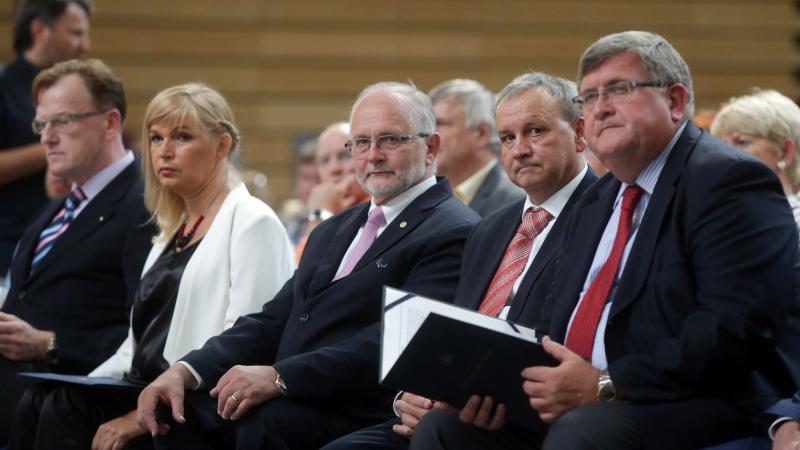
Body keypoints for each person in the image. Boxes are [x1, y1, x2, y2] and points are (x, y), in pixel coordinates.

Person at [410, 30, 800, 450]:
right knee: (446, 431)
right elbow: (554, 316)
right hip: (585, 394)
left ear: (674, 101)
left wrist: (607, 383)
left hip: (693, 398)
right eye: (590, 97)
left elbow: (735, 328)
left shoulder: (727, 180)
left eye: (618, 89)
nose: (600, 109)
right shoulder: (599, 197)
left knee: (582, 432)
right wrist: (496, 388)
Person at [135, 81, 480, 450]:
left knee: (258, 425)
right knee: (178, 412)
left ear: (431, 147)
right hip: (298, 397)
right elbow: (274, 319)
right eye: (361, 142)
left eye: (390, 140)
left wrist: (280, 376)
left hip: (363, 408)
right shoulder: (333, 229)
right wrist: (185, 370)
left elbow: (391, 342)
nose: (373, 155)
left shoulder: (453, 229)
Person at [7, 82, 296, 450]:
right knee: (41, 398)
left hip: (196, 397)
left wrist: (136, 418)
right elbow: (134, 345)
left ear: (222, 145)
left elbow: (250, 342)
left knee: (67, 408)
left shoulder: (253, 222)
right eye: (156, 139)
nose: (165, 152)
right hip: (142, 385)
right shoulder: (170, 230)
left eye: (182, 137)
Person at [322, 71, 598, 450]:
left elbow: (568, 335)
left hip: (535, 414)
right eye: (508, 137)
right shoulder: (491, 228)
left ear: (580, 133)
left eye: (536, 131)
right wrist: (413, 392)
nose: (519, 149)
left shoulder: (605, 214)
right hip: (455, 407)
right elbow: (456, 327)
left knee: (439, 432)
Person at [0, 58, 153, 443]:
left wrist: (49, 344)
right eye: (41, 124)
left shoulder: (145, 206)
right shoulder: (58, 206)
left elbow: (149, 335)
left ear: (110, 123)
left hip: (63, 403)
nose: (46, 137)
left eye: (62, 121)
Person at [0, 0, 92, 277]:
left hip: (64, 243)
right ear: (40, 30)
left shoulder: (80, 91)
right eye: (75, 33)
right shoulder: (4, 87)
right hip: (9, 245)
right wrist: (57, 146)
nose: (84, 45)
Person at [429, 78, 524, 216]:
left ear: (481, 134)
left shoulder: (515, 201)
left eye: (441, 124)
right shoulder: (428, 196)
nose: (430, 135)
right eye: (429, 125)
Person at [710, 89, 800, 230]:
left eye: (742, 142)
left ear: (785, 151)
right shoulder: (712, 216)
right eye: (721, 144)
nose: (724, 153)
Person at [296, 121, 370, 260]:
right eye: (325, 161)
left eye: (345, 156)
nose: (334, 168)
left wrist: (319, 216)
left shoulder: (378, 210)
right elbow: (299, 275)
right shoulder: (330, 208)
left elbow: (310, 274)